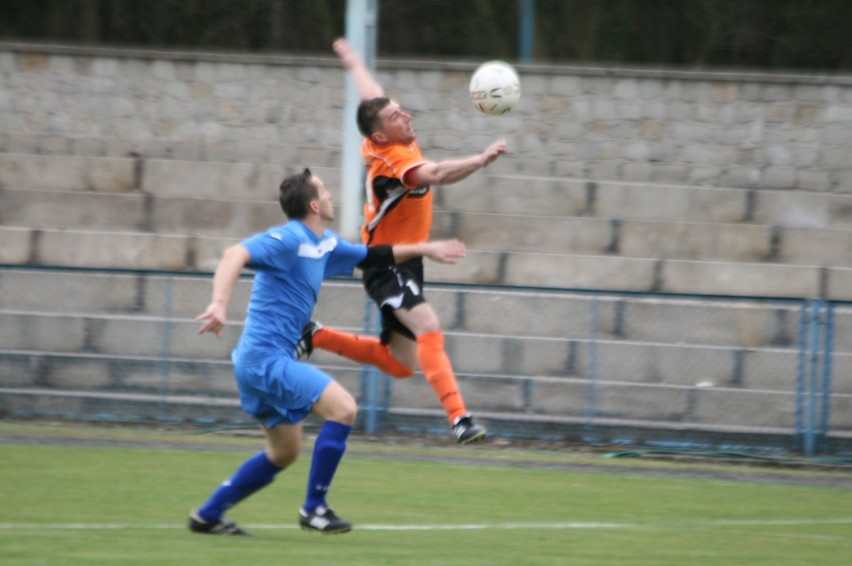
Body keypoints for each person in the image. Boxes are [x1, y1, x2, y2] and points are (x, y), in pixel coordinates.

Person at [188, 167, 467, 536]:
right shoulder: (289, 238)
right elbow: (232, 254)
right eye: (325, 191)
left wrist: (426, 249)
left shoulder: (326, 244)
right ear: (314, 204)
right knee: (344, 408)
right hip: (265, 360)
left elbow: (375, 255)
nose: (333, 195)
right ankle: (314, 508)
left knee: (284, 453)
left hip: (260, 363)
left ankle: (208, 515)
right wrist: (220, 304)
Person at [297, 37, 507, 444]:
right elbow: (440, 174)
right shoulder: (394, 164)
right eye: (398, 115)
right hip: (386, 262)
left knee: (401, 363)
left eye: (401, 110)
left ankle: (315, 336)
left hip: (405, 263)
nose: (407, 116)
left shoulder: (386, 139)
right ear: (380, 134)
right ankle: (460, 419)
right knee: (428, 323)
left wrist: (353, 60)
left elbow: (372, 96)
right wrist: (480, 160)